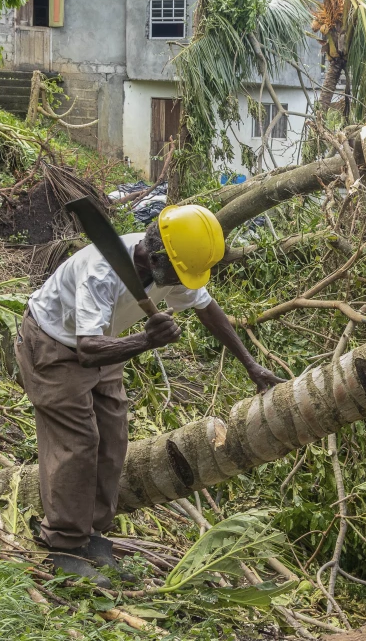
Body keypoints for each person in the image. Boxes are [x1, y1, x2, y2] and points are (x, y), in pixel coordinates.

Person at [16, 203, 284, 584]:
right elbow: (87, 350)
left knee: (113, 437)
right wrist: (146, 341)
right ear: (156, 257)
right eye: (181, 274)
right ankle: (62, 543)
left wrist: (249, 364)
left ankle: (88, 534)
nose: (184, 283)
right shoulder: (102, 272)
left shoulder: (168, 267)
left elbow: (207, 309)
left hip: (101, 341)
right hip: (56, 346)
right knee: (78, 442)